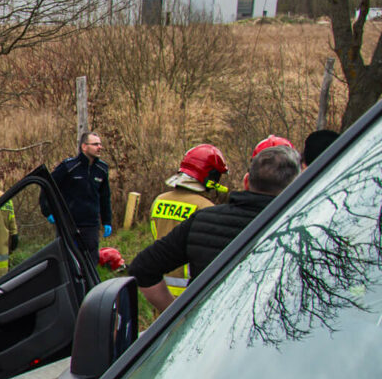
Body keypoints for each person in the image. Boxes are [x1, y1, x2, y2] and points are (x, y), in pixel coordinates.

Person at [127, 145, 301, 314]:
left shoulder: (161, 200)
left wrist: (175, 315)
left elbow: (144, 264)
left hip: (177, 300)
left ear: (246, 180)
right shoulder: (301, 231)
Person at [148, 143, 228, 299]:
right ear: (210, 175)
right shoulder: (206, 207)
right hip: (189, 291)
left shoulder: (159, 200)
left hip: (159, 287)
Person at [50, 132, 111, 262]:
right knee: (66, 260)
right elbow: (49, 187)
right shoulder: (69, 167)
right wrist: (48, 211)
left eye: (100, 144)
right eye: (95, 144)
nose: (99, 147)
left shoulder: (102, 169)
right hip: (69, 223)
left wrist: (107, 221)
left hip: (91, 225)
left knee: (90, 261)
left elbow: (105, 197)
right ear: (84, 146)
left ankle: (89, 283)